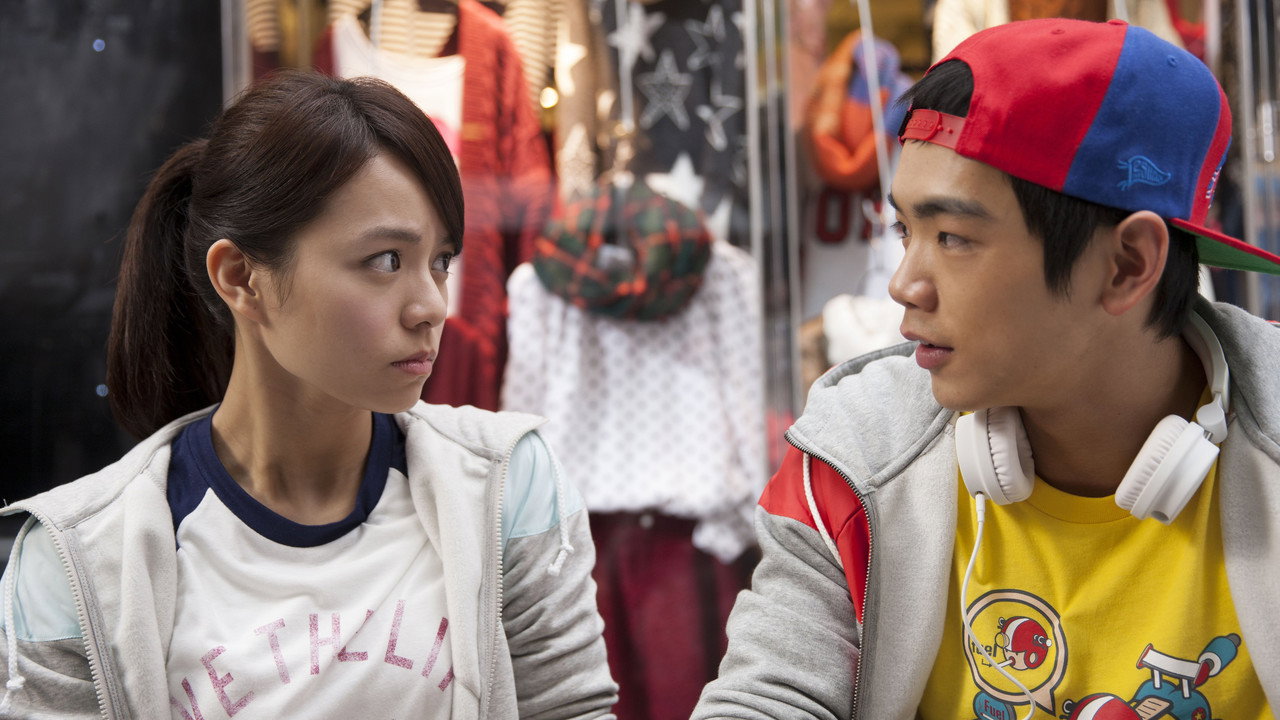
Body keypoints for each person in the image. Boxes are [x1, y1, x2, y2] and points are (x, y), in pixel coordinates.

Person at [694, 18, 1280, 720]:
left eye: (952, 237)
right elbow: (768, 695)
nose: (904, 285)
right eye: (905, 231)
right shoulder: (854, 458)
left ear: (1127, 265)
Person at [0, 71, 616, 720]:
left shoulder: (506, 487)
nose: (432, 306)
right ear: (241, 277)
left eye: (440, 261)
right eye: (386, 260)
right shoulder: (78, 560)